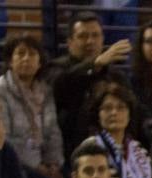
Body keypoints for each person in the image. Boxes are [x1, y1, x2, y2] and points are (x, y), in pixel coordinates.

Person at [51, 11, 133, 158]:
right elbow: (61, 84)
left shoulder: (115, 76)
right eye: (83, 36)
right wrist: (95, 64)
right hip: (70, 152)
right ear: (70, 42)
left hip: (115, 152)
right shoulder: (57, 69)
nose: (90, 41)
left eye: (95, 35)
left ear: (102, 39)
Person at [0, 31, 65, 178]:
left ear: (40, 62)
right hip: (14, 164)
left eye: (32, 54)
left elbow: (53, 133)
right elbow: (6, 139)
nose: (26, 58)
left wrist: (53, 165)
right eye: (20, 53)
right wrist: (38, 167)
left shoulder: (45, 91)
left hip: (45, 164)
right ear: (10, 61)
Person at [88, 81, 152, 178]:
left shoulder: (139, 150)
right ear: (98, 114)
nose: (114, 112)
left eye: (121, 107)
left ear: (129, 114)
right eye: (107, 108)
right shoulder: (91, 147)